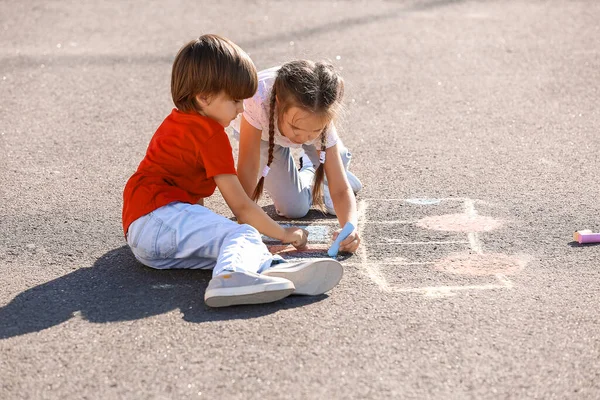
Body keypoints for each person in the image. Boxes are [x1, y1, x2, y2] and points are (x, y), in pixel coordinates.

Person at [122, 35, 343, 308]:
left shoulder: (177, 121)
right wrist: (284, 234)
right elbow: (241, 207)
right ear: (204, 97)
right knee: (243, 234)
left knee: (227, 244)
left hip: (148, 236)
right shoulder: (210, 135)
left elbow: (193, 199)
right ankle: (231, 277)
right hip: (159, 219)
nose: (240, 109)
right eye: (236, 101)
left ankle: (268, 269)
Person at [233, 61, 362, 254]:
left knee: (337, 198)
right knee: (294, 209)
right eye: (296, 128)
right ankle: (315, 167)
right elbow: (246, 175)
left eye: (315, 131)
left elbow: (341, 190)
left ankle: (333, 161)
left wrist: (350, 228)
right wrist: (245, 218)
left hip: (305, 124)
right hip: (263, 136)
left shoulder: (318, 111)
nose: (301, 139)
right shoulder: (256, 99)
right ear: (278, 103)